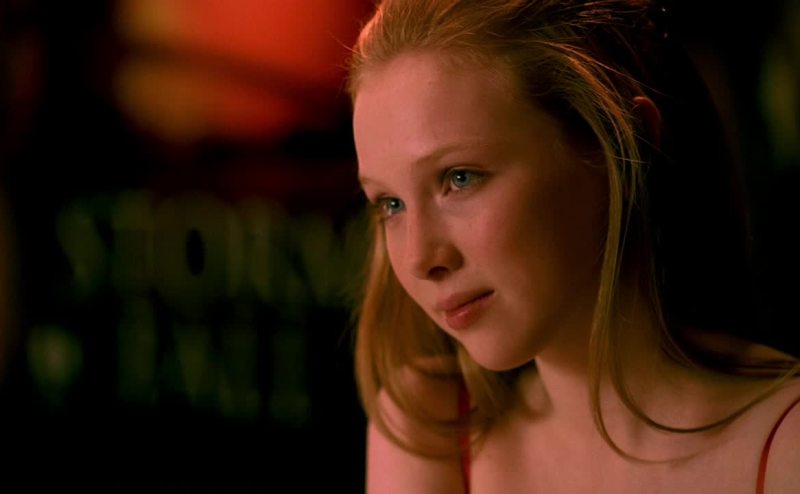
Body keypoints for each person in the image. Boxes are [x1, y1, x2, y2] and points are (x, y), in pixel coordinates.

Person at [347, 0, 800, 492]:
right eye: (390, 204)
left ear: (626, 145)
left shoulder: (785, 450)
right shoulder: (431, 425)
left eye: (460, 178)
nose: (419, 259)